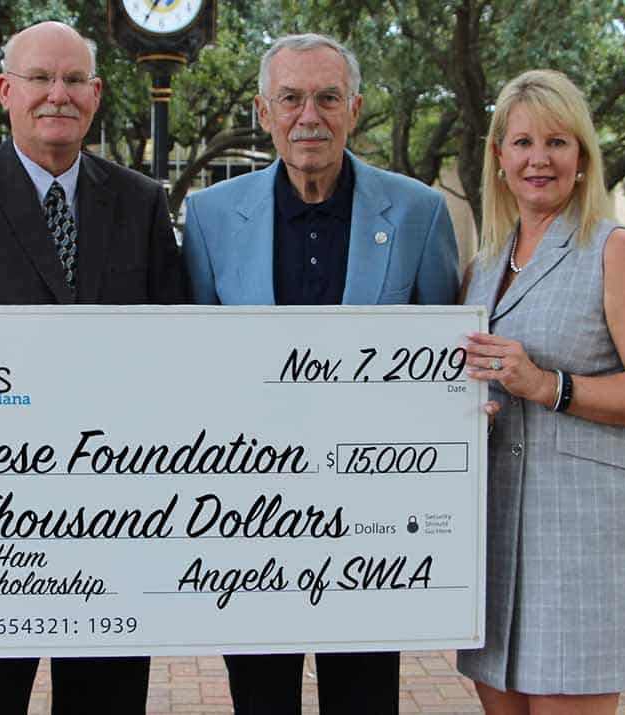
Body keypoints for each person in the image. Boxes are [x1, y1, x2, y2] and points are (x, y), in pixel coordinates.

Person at [0, 20, 188, 715]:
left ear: (95, 96)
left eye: (72, 81)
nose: (56, 94)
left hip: (113, 521)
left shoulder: (142, 200)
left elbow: (174, 343)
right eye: (39, 78)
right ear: (6, 90)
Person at [182, 33, 459, 715]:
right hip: (249, 516)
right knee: (260, 696)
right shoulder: (213, 216)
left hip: (373, 521)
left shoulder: (419, 213)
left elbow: (446, 363)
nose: (310, 115)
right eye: (291, 98)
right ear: (264, 110)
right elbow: (189, 361)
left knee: (364, 696)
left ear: (355, 108)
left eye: (328, 97)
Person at [456, 69, 625, 714]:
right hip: (494, 530)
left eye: (557, 142)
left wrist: (548, 385)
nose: (539, 159)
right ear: (499, 158)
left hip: (579, 538)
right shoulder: (482, 266)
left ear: (582, 158)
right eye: (522, 142)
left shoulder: (616, 251)